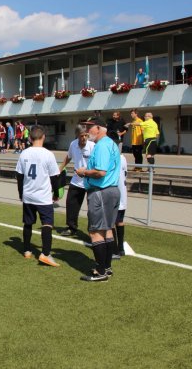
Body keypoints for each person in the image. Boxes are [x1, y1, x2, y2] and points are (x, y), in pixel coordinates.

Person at [75, 116, 120, 282]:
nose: (87, 131)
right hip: (111, 190)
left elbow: (100, 172)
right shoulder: (111, 144)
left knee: (95, 231)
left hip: (101, 191)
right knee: (107, 229)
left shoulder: (102, 145)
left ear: (100, 128)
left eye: (90, 127)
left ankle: (100, 271)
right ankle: (106, 268)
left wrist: (83, 172)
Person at [15, 126, 61, 267]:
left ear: (29, 138)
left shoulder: (24, 153)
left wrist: (21, 193)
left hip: (28, 195)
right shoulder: (48, 154)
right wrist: (56, 193)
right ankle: (45, 254)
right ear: (43, 137)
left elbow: (19, 176)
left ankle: (27, 250)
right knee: (47, 224)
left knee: (28, 223)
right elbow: (55, 177)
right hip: (43, 196)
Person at [59, 124, 95, 236]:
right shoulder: (73, 144)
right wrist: (60, 168)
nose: (84, 138)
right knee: (71, 204)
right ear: (77, 136)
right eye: (81, 136)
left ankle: (93, 230)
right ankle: (72, 227)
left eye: (86, 135)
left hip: (91, 182)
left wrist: (87, 171)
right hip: (76, 180)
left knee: (92, 209)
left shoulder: (93, 146)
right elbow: (68, 157)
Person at [112, 153, 128, 259]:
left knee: (111, 223)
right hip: (122, 194)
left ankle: (114, 249)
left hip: (113, 193)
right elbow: (126, 174)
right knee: (119, 221)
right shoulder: (122, 157)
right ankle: (120, 247)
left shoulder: (110, 157)